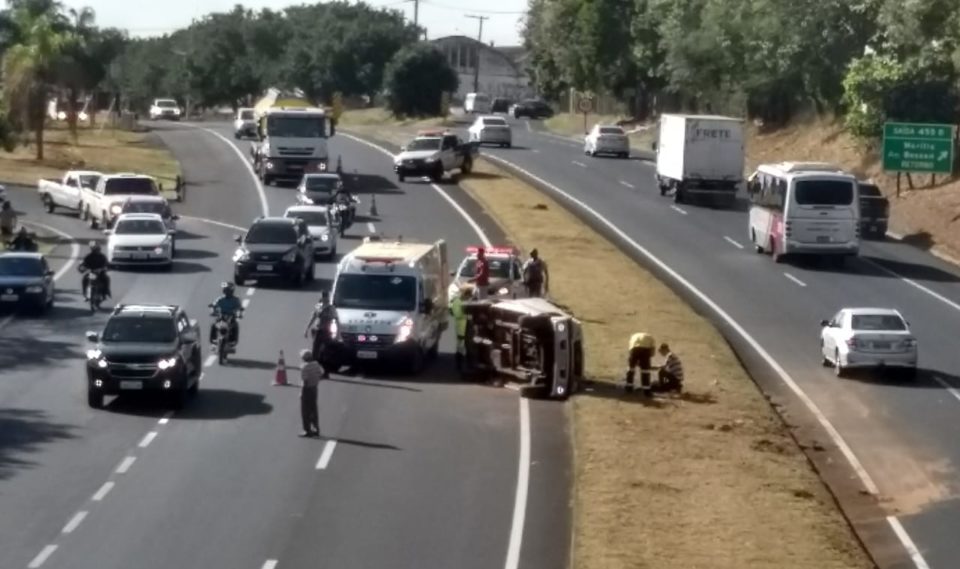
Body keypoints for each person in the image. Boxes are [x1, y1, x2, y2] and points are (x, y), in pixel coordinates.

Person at [304, 290, 337, 377]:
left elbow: (335, 320)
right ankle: (314, 371)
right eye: (323, 296)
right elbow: (313, 317)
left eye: (326, 296)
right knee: (315, 352)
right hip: (317, 330)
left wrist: (336, 332)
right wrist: (307, 329)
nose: (324, 298)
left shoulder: (331, 308)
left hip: (326, 331)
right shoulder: (318, 306)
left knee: (325, 352)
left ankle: (326, 372)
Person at [449, 284, 475, 370]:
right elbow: (459, 314)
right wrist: (468, 316)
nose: (471, 295)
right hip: (463, 328)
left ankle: (462, 365)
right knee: (464, 347)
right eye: (470, 294)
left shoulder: (459, 301)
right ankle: (462, 365)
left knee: (463, 347)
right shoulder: (460, 302)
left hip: (462, 327)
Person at [299, 349, 323, 438]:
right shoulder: (316, 364)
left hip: (307, 390)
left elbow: (305, 381)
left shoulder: (304, 367)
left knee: (305, 411)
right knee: (313, 409)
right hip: (314, 388)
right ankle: (316, 428)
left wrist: (302, 393)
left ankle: (307, 430)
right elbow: (321, 373)